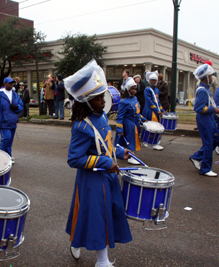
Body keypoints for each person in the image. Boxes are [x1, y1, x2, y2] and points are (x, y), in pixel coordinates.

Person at [64, 59, 132, 267]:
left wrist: (119, 152)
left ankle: (77, 242)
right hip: (92, 180)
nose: (104, 101)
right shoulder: (81, 126)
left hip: (107, 176)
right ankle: (102, 261)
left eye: (103, 97)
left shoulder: (101, 116)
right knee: (97, 217)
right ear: (86, 101)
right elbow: (73, 158)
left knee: (101, 215)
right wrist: (103, 161)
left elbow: (105, 144)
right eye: (99, 98)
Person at [189, 64, 219, 177]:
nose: (211, 78)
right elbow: (198, 108)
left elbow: (208, 105)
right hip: (204, 120)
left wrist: (216, 109)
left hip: (209, 118)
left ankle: (197, 157)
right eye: (210, 76)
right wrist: (213, 109)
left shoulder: (206, 89)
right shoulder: (202, 90)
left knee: (216, 139)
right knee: (209, 143)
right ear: (205, 78)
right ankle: (205, 168)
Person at [115, 78, 147, 164]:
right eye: (132, 89)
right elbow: (119, 117)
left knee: (133, 139)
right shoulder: (123, 102)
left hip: (135, 122)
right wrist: (120, 129)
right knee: (131, 140)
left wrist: (143, 119)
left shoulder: (135, 98)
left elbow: (136, 112)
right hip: (128, 124)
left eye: (135, 89)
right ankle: (130, 156)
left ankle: (125, 154)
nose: (134, 91)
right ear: (127, 90)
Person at [0, 77, 23, 159]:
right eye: (9, 83)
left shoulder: (15, 95)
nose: (11, 84)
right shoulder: (0, 95)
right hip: (3, 121)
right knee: (6, 139)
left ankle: (8, 156)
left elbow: (21, 106)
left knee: (10, 141)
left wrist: (16, 107)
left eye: (12, 83)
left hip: (12, 121)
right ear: (5, 84)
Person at [142, 70, 164, 150]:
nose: (153, 82)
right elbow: (149, 101)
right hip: (149, 110)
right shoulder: (147, 89)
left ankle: (155, 142)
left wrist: (162, 110)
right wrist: (156, 110)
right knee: (149, 126)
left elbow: (157, 101)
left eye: (154, 80)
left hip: (155, 111)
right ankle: (146, 141)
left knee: (155, 127)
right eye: (151, 80)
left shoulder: (157, 90)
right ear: (149, 80)